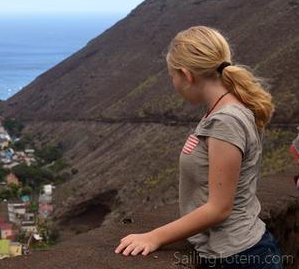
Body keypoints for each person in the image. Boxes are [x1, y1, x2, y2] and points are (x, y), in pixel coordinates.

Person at [114, 26, 284, 268]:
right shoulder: (223, 111)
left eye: (172, 76)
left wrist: (153, 237)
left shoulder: (226, 121)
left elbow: (219, 209)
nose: (173, 83)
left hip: (238, 258)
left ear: (187, 74)